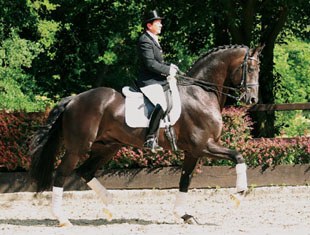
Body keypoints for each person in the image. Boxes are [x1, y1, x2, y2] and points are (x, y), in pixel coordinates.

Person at [136, 9, 179, 152]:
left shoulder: (153, 39)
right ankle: (150, 138)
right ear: (149, 25)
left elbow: (157, 62)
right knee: (162, 104)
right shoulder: (144, 40)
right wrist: (167, 71)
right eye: (158, 23)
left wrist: (169, 66)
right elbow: (150, 64)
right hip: (148, 81)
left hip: (157, 80)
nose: (161, 25)